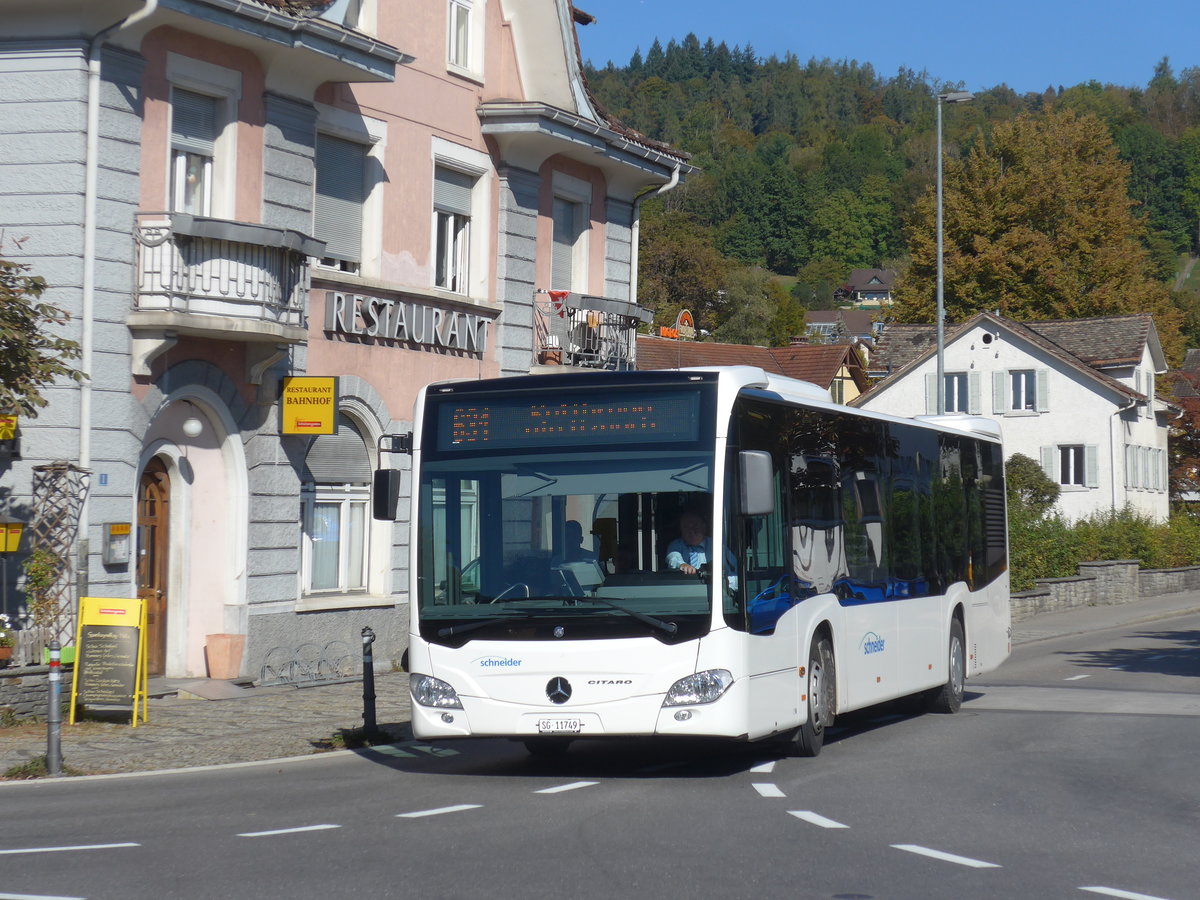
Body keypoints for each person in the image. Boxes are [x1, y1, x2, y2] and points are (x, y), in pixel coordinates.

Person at [666, 511, 737, 582]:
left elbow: (734, 572)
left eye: (695, 525)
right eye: (686, 527)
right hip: (684, 588)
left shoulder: (716, 545)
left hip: (712, 589)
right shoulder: (676, 545)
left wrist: (726, 584)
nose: (691, 531)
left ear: (703, 526)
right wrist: (682, 565)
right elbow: (673, 557)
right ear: (681, 529)